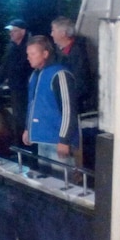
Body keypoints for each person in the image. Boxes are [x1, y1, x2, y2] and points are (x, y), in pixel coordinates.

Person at [22, 35, 81, 168]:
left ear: (45, 54)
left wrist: (64, 140)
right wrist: (28, 129)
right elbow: (32, 104)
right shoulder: (34, 75)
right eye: (28, 53)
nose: (28, 57)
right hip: (42, 139)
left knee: (61, 183)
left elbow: (69, 110)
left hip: (57, 141)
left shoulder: (60, 74)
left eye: (32, 53)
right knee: (46, 181)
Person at [0, 19, 32, 144]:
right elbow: (5, 66)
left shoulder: (31, 45)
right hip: (16, 89)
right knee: (18, 119)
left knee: (26, 119)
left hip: (28, 89)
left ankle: (28, 150)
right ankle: (20, 146)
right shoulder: (11, 47)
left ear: (23, 31)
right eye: (10, 31)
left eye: (14, 31)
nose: (10, 34)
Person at [50, 16, 94, 113]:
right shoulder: (58, 52)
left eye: (53, 30)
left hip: (74, 105)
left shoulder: (79, 52)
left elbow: (81, 81)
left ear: (63, 33)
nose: (51, 34)